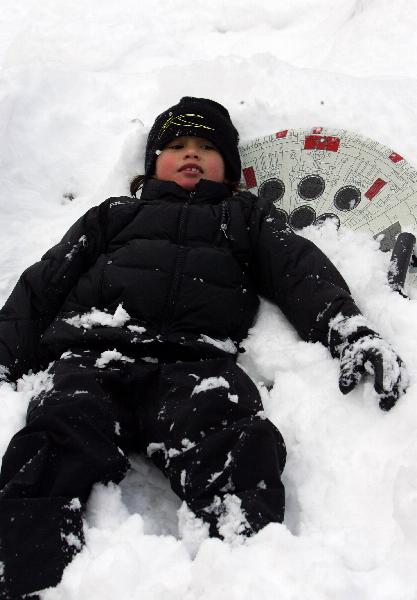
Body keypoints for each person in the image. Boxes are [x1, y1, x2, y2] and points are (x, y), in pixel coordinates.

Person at [0, 97, 408, 598]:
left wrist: (349, 331)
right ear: (152, 163)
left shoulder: (244, 217)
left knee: (233, 438)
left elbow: (300, 272)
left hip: (198, 365)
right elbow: (43, 284)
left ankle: (246, 569)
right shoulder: (113, 217)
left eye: (207, 147)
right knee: (56, 438)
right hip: (94, 354)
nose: (191, 154)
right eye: (176, 145)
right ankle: (26, 576)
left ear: (229, 169)